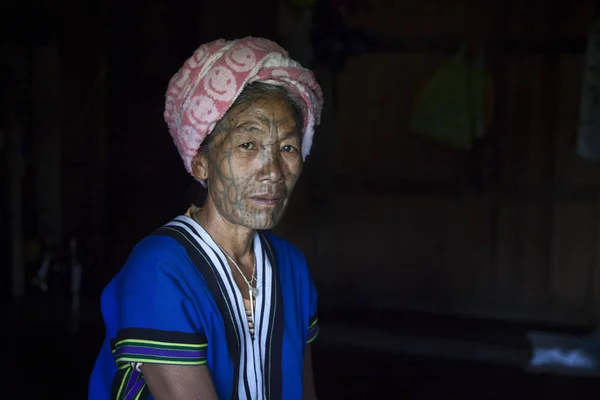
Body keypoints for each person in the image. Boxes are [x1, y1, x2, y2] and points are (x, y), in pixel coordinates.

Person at [88, 37, 323, 400]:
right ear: (201, 162)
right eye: (248, 145)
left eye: (288, 148)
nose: (274, 171)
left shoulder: (292, 267)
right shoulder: (160, 270)